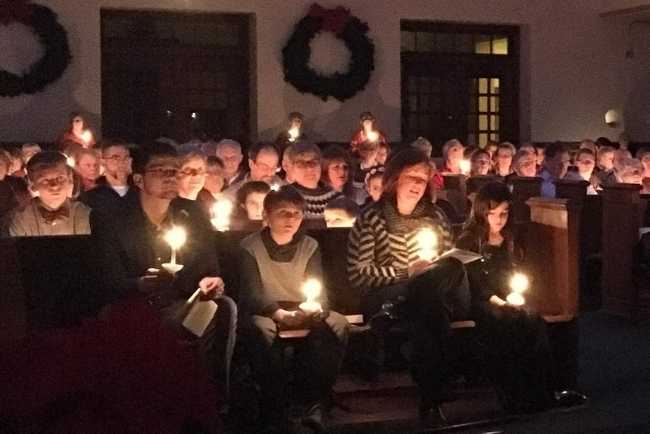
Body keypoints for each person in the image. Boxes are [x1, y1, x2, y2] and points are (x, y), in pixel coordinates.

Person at [90, 141, 236, 401]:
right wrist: (141, 284)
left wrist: (211, 281)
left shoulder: (191, 212)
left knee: (223, 307)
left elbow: (208, 264)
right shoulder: (113, 218)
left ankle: (212, 398)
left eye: (175, 171)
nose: (171, 177)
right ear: (139, 178)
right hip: (133, 303)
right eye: (160, 171)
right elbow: (107, 279)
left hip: (182, 301)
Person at [347, 148, 470, 420]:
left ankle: (431, 395)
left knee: (438, 282)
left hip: (419, 300)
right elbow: (358, 274)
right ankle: (433, 395)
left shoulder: (437, 216)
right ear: (394, 179)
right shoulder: (373, 217)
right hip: (389, 295)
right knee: (429, 305)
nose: (417, 184)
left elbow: (447, 262)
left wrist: (428, 273)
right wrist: (406, 272)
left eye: (422, 179)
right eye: (411, 176)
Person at [456, 182, 586, 413]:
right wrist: (499, 301)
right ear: (481, 213)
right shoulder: (469, 240)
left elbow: (518, 271)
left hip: (509, 297)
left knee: (533, 321)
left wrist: (518, 293)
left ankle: (542, 391)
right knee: (506, 322)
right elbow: (475, 283)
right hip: (482, 301)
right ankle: (512, 392)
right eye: (492, 213)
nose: (499, 219)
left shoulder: (511, 238)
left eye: (504, 213)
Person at [239, 186, 349, 433]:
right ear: (266, 215)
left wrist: (315, 308)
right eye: (283, 213)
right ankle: (275, 404)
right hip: (267, 310)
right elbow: (251, 292)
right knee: (261, 331)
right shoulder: (250, 247)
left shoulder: (309, 245)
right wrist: (278, 313)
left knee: (338, 324)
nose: (290, 219)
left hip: (301, 308)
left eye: (296, 213)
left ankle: (316, 401)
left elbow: (318, 286)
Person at [8, 151, 91, 236]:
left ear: (69, 179)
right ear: (33, 184)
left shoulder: (84, 214)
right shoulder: (21, 218)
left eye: (60, 178)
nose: (54, 186)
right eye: (45, 180)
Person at [79, 140, 137, 219]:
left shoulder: (140, 191)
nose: (122, 162)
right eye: (115, 158)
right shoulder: (91, 196)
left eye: (126, 157)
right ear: (103, 162)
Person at [287, 143, 342, 219]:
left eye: (313, 163)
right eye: (301, 164)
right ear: (291, 169)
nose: (309, 169)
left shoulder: (336, 198)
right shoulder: (285, 197)